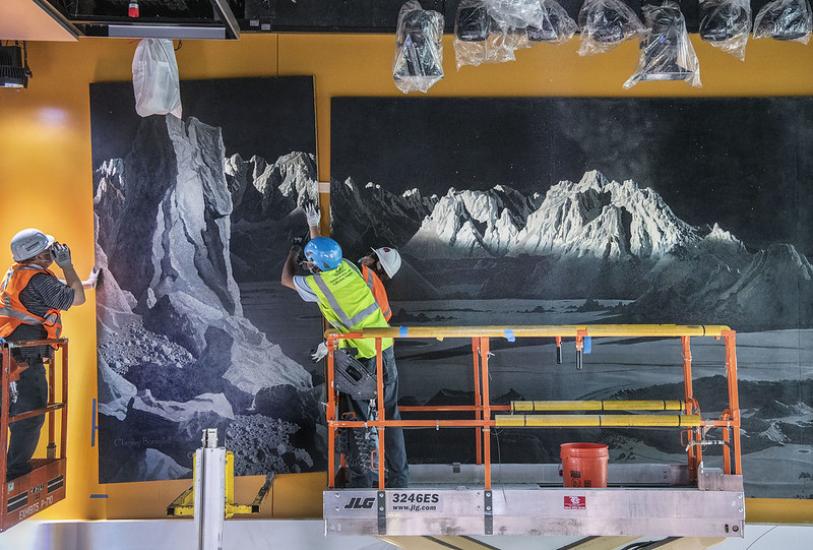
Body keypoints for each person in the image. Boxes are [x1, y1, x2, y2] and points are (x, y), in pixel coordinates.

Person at [280, 204, 409, 488]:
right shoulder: (350, 268)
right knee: (390, 414)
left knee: (358, 419)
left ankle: (362, 480)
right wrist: (313, 228)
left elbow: (287, 279)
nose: (307, 263)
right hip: (384, 350)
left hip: (362, 359)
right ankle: (400, 479)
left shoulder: (321, 284)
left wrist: (294, 250)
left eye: (309, 261)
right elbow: (325, 256)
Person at [0, 228, 94, 481]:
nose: (54, 254)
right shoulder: (39, 280)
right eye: (49, 251)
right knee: (29, 414)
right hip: (24, 358)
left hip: (10, 352)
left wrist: (86, 281)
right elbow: (76, 299)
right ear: (38, 255)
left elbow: (52, 291)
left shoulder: (18, 273)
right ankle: (14, 473)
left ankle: (8, 469)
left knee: (12, 413)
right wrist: (68, 266)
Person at [303, 203, 403, 321]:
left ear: (378, 265)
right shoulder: (379, 293)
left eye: (372, 256)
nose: (366, 256)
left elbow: (322, 260)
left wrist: (313, 225)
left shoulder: (358, 277)